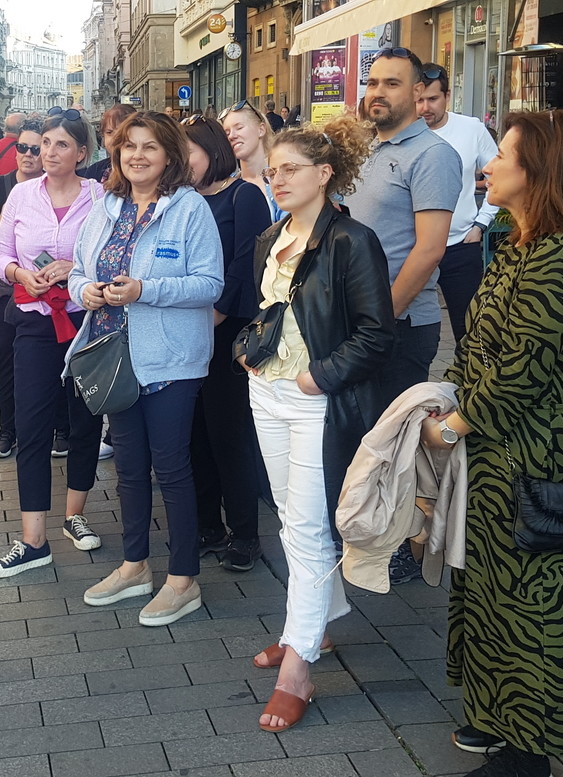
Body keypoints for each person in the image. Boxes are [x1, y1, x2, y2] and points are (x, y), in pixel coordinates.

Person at [422, 109, 563, 776]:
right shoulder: (519, 246)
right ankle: (496, 716)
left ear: (539, 171)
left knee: (535, 605)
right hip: (497, 456)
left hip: (537, 460)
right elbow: (479, 346)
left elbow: (521, 371)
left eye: (502, 156)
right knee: (489, 592)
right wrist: (448, 398)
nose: (488, 166)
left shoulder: (560, 258)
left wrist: (451, 426)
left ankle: (529, 751)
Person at [231, 115, 394, 733]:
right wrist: (247, 352)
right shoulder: (270, 236)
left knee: (304, 528)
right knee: (289, 515)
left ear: (325, 174)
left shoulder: (352, 241)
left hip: (314, 400)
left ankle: (298, 665)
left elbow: (377, 333)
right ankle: (314, 625)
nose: (277, 180)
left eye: (291, 170)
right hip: (266, 391)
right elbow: (265, 310)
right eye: (273, 170)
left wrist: (318, 377)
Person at [70, 111, 223, 626]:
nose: (137, 155)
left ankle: (183, 580)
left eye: (150, 146)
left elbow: (210, 284)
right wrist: (85, 292)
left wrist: (144, 290)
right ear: (117, 153)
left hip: (171, 360)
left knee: (172, 468)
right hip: (115, 357)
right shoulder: (106, 205)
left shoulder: (189, 209)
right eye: (129, 145)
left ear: (169, 155)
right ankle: (134, 566)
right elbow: (77, 270)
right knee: (130, 469)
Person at [347, 48, 459, 587]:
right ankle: (374, 534)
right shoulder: (366, 149)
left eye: (391, 83)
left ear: (418, 93)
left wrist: (382, 316)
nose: (377, 92)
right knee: (368, 438)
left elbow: (429, 249)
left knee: (399, 445)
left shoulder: (432, 155)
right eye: (372, 82)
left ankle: (407, 548)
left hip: (400, 324)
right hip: (358, 324)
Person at [0, 112, 106, 578]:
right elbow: (0, 254)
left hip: (86, 322)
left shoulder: (100, 197)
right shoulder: (21, 194)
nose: (48, 153)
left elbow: (111, 254)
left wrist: (74, 267)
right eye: (44, 145)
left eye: (61, 145)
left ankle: (75, 514)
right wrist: (20, 274)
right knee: (32, 425)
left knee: (84, 419)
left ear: (82, 153)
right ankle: (33, 540)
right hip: (35, 323)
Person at [180, 114, 271, 572]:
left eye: (188, 153)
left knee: (229, 434)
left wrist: (214, 316)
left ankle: (245, 534)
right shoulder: (183, 200)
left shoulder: (244, 195)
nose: (182, 163)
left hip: (227, 332)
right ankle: (207, 526)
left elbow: (246, 263)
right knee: (194, 434)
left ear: (212, 150)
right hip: (188, 331)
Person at [0, 123, 63, 458]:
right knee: (8, 357)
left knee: (57, 355)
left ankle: (60, 427)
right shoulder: (0, 187)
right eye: (23, 148)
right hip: (6, 288)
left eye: (37, 148)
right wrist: (5, 217)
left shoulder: (59, 188)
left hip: (53, 290)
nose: (29, 155)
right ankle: (8, 429)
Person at [417, 62, 498, 344]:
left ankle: (468, 372)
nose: (425, 107)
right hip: (414, 247)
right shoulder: (404, 133)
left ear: (447, 96)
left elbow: (500, 175)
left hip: (460, 245)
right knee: (410, 330)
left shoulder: (471, 129)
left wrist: (481, 224)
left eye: (432, 99)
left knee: (470, 330)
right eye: (419, 100)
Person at [220, 100, 281, 222]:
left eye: (239, 128)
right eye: (227, 133)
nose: (232, 136)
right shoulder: (225, 185)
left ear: (261, 129)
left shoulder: (282, 179)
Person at [79, 104, 137, 182]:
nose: (115, 138)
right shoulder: (94, 172)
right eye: (109, 132)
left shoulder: (141, 170)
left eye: (121, 132)